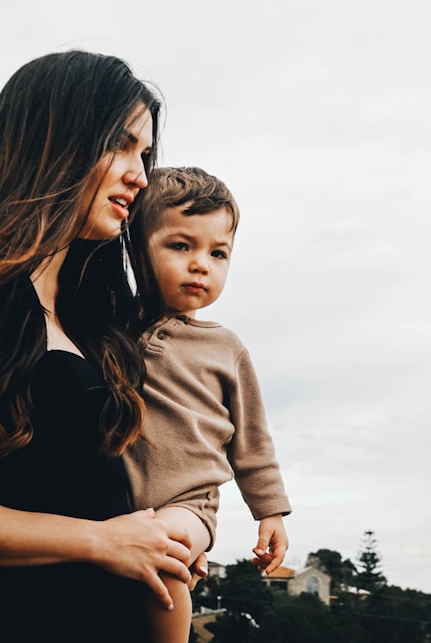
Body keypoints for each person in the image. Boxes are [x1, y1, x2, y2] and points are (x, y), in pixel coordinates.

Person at [0, 51, 205, 643]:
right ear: (55, 139)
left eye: (145, 155)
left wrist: (182, 530)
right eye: (122, 146)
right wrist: (102, 541)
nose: (141, 175)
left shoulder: (99, 317)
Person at [125, 166, 292, 643]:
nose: (202, 264)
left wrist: (270, 513)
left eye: (218, 253)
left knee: (167, 551)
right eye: (182, 246)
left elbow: (252, 441)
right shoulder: (109, 328)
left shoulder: (226, 348)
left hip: (188, 505)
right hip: (118, 506)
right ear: (138, 245)